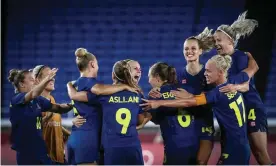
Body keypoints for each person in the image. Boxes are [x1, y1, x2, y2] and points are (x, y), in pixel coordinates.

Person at [141, 55, 251, 165]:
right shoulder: (233, 82)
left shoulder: (216, 93)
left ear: (220, 72)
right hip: (241, 145)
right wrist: (240, 86)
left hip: (232, 147)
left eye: (208, 71)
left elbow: (189, 102)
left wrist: (158, 102)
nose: (205, 74)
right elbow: (250, 72)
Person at [213, 11, 273, 165]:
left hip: (251, 107)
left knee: (260, 154)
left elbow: (245, 86)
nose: (215, 44)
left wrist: (234, 87)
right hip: (235, 112)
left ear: (230, 41)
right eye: (214, 40)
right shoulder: (220, 62)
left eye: (219, 40)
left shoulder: (239, 57)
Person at [149, 27, 215, 164]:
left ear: (200, 51)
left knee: (200, 163)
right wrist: (157, 92)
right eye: (186, 49)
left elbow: (215, 100)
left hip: (204, 126)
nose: (189, 52)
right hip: (186, 129)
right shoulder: (178, 77)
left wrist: (190, 97)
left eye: (193, 48)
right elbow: (169, 95)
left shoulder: (208, 73)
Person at [66, 48, 137, 165]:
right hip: (88, 139)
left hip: (77, 136)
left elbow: (76, 97)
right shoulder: (91, 84)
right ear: (92, 64)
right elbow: (98, 90)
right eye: (97, 64)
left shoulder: (74, 84)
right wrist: (124, 87)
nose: (98, 67)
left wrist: (68, 85)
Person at [8, 68, 72, 165]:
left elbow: (58, 108)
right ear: (22, 84)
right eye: (31, 79)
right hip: (27, 154)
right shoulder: (17, 99)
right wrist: (47, 78)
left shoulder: (38, 100)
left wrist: (73, 104)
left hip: (41, 152)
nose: (35, 81)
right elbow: (33, 93)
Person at [147, 62, 199, 164]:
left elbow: (155, 119)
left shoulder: (156, 95)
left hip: (175, 146)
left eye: (150, 77)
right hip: (195, 144)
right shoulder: (185, 90)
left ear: (157, 77)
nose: (149, 81)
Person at [32, 65, 71, 164]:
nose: (52, 79)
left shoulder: (52, 100)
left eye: (53, 76)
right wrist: (46, 118)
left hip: (59, 157)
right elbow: (31, 128)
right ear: (37, 80)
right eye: (48, 76)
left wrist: (67, 133)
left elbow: (52, 122)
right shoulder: (33, 102)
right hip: (45, 160)